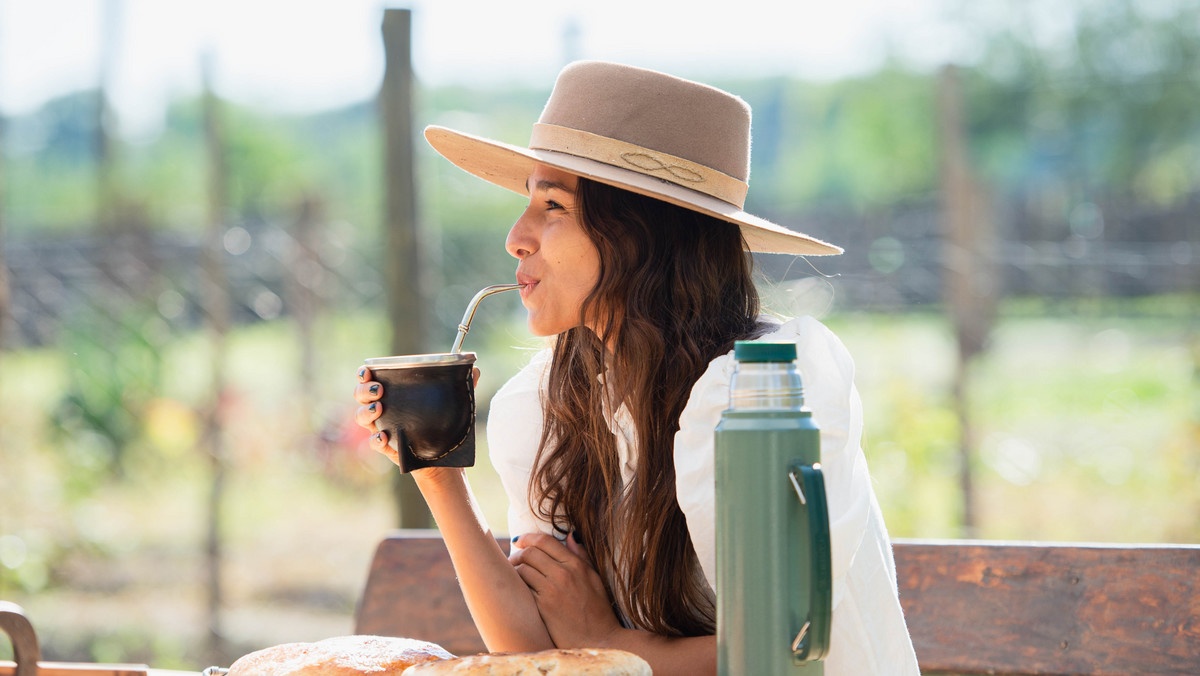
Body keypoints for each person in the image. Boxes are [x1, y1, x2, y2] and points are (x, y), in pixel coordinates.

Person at [354, 61, 919, 675]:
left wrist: (611, 643)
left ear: (639, 234)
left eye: (554, 206)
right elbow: (534, 651)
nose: (517, 237)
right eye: (527, 204)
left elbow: (779, 656)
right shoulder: (546, 405)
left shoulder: (768, 385)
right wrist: (436, 471)